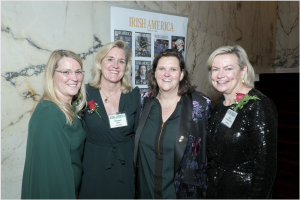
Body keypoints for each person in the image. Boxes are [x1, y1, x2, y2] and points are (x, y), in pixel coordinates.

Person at [134, 49, 213, 199]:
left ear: (182, 74)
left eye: (173, 69)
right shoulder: (143, 102)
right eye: (161, 68)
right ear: (155, 72)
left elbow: (211, 153)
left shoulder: (200, 106)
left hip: (180, 193)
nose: (166, 74)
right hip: (146, 192)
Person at [206, 45, 277, 198]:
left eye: (228, 68)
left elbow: (266, 167)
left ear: (243, 71)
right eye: (215, 69)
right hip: (216, 188)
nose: (220, 75)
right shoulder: (220, 104)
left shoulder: (259, 105)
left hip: (243, 191)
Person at [78, 40, 141, 199]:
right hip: (93, 166)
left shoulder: (133, 95)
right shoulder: (83, 93)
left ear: (125, 67)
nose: (116, 65)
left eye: (121, 61)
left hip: (124, 168)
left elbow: (141, 134)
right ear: (100, 63)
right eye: (110, 59)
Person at [21, 50, 87, 199]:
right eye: (66, 72)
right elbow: (49, 178)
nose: (74, 78)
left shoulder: (67, 107)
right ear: (52, 75)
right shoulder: (49, 114)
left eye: (78, 72)